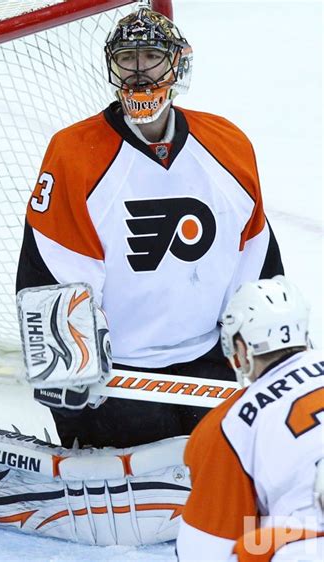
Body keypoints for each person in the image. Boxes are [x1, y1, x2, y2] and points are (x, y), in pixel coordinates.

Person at [16, 6, 283, 449]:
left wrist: (269, 357)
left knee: (242, 454)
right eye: (127, 58)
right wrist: (70, 389)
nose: (139, 72)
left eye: (152, 57)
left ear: (178, 64)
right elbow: (50, 273)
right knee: (150, 464)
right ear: (111, 66)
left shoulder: (228, 145)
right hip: (121, 374)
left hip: (208, 361)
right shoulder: (73, 154)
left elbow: (256, 265)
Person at [176, 276, 324, 561]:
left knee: (251, 547)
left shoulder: (229, 423)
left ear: (241, 349)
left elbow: (203, 551)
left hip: (305, 548)